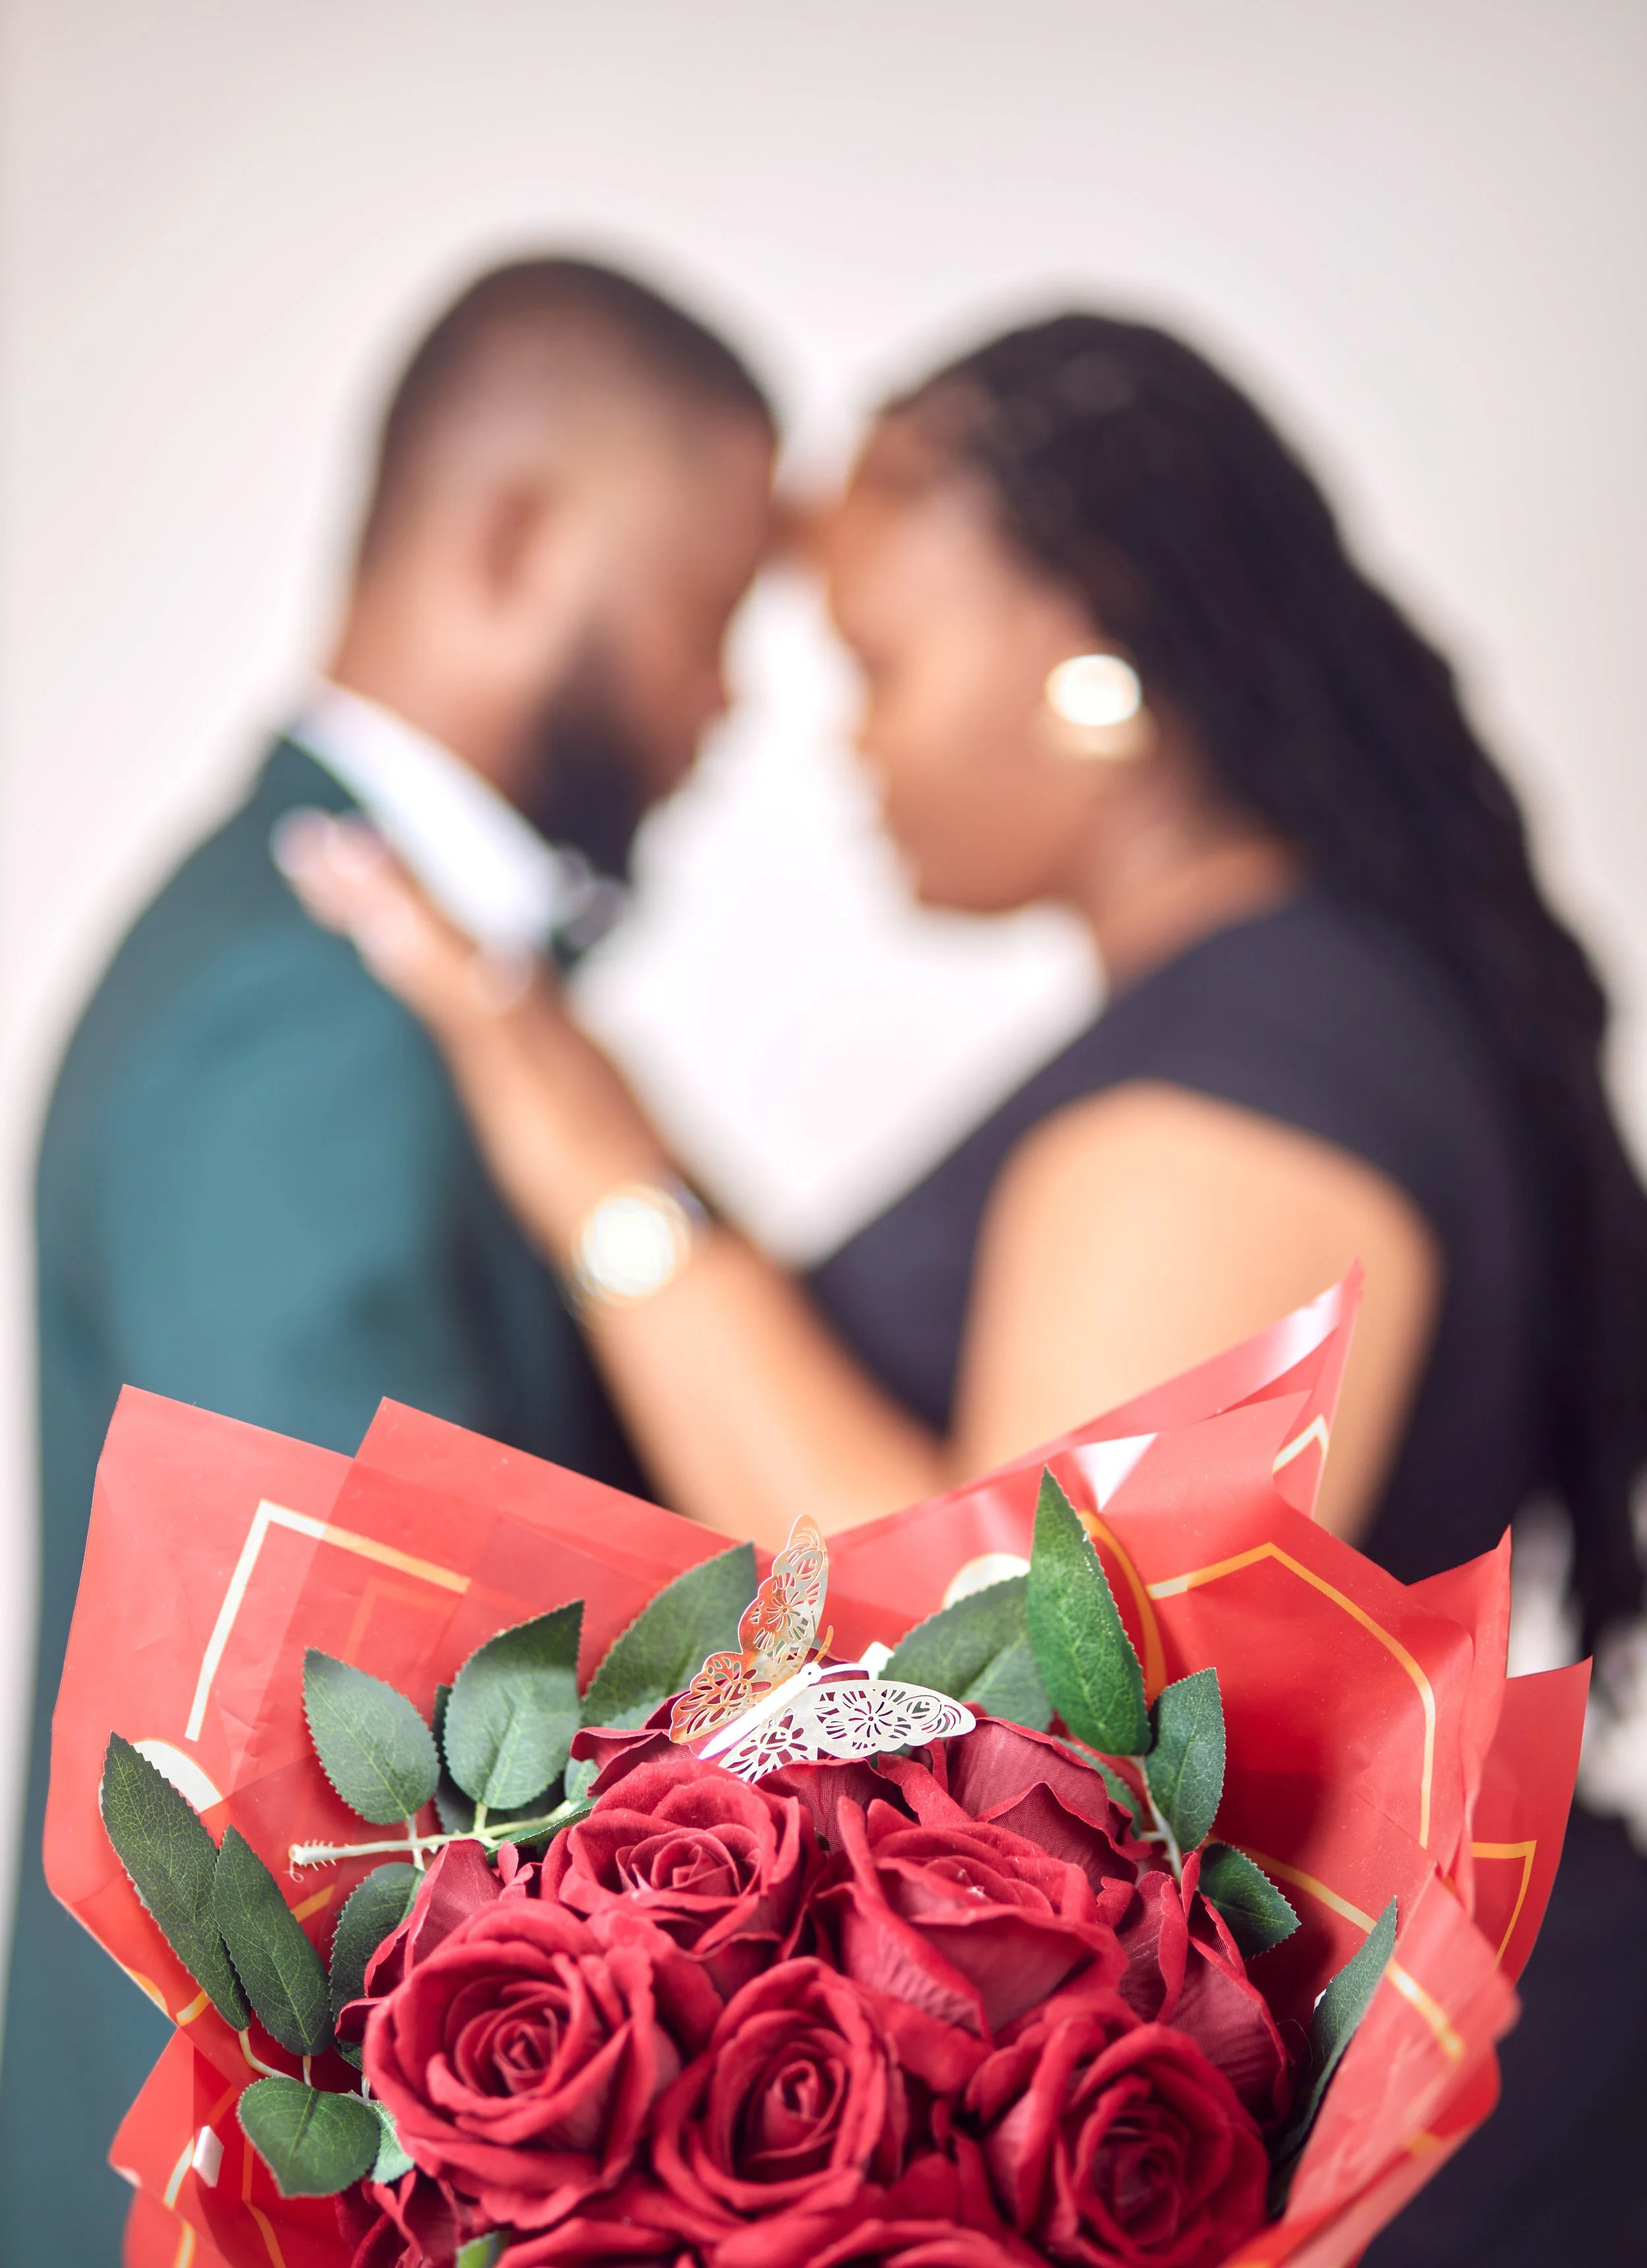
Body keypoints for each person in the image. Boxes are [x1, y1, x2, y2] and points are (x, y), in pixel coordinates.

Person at [283, 310, 1647, 2261]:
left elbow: (1009, 1703)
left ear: (1088, 645)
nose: (850, 742)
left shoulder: (1246, 1085)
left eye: (880, 665)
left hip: (1458, 2179)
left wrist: (580, 1146)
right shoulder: (1286, 1017)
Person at [1, 256, 775, 2259]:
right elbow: (344, 1746)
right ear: (512, 540)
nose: (727, 699)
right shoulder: (304, 1014)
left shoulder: (366, 972)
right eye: (708, 612)